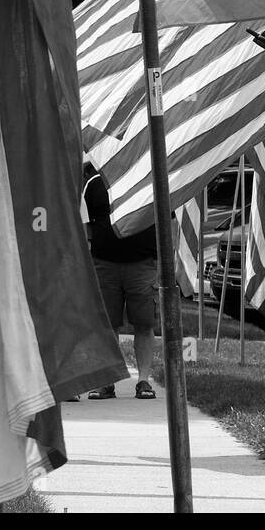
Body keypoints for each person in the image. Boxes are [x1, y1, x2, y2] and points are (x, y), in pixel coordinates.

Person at [82, 161, 158, 399]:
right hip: (105, 265)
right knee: (107, 326)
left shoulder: (150, 180)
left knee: (144, 324)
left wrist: (168, 264)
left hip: (142, 264)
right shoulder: (94, 184)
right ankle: (107, 382)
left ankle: (144, 381)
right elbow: (87, 228)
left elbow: (167, 222)